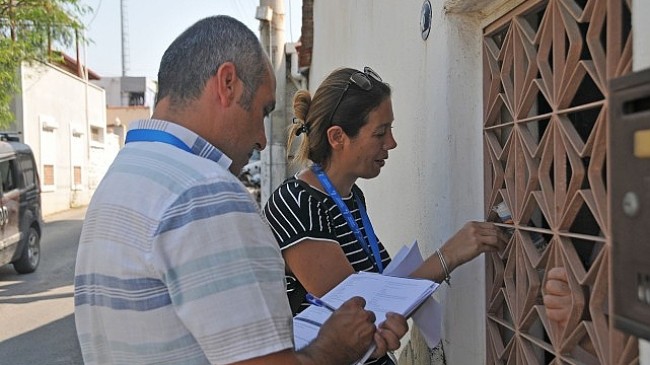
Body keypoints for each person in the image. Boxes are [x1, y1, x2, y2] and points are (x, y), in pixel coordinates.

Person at [73, 17, 407, 365]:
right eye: (263, 110)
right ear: (227, 83)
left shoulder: (120, 179)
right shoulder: (204, 192)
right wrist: (330, 349)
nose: (263, 140)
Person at [263, 66, 507, 364]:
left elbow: (382, 288)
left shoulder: (351, 197)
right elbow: (358, 312)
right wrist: (448, 256)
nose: (391, 143)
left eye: (390, 130)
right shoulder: (296, 202)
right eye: (380, 133)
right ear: (337, 137)